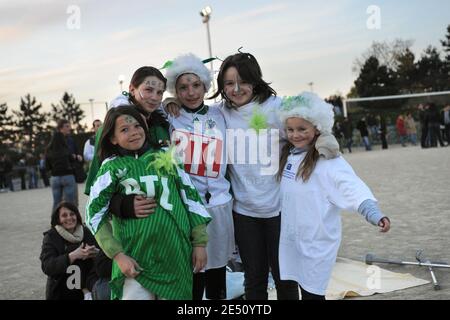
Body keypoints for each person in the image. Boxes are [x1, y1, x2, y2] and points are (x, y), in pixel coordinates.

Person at [207, 51, 340, 300]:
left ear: (255, 79)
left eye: (243, 81)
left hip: (281, 209)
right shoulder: (219, 113)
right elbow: (192, 114)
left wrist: (326, 140)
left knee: (285, 277)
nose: (236, 89)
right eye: (228, 83)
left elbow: (308, 121)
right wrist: (170, 106)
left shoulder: (276, 108)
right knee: (254, 278)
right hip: (245, 212)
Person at [85, 105, 211, 300]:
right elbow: (93, 214)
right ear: (112, 138)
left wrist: (200, 243)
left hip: (175, 256)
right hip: (134, 260)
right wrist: (117, 255)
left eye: (137, 126)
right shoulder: (110, 167)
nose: (134, 133)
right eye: (124, 130)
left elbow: (192, 201)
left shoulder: (167, 157)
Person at [277, 92, 391, 300]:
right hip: (292, 240)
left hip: (316, 243)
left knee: (313, 294)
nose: (295, 135)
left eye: (302, 129)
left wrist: (373, 212)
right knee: (298, 286)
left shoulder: (328, 161)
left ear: (317, 127)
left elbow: (351, 186)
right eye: (290, 129)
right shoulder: (289, 156)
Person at [164, 53, 235, 300]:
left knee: (217, 273)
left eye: (196, 85)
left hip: (219, 204)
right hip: (188, 209)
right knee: (194, 274)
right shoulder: (170, 116)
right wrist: (165, 103)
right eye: (183, 87)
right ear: (175, 90)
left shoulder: (221, 114)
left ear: (205, 86)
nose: (191, 92)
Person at [40, 201, 99, 300]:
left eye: (72, 214)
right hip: (61, 289)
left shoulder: (85, 231)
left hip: (88, 286)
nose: (69, 218)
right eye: (64, 215)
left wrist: (94, 252)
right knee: (72, 249)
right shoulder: (51, 236)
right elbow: (47, 266)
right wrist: (72, 256)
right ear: (58, 219)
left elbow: (101, 253)